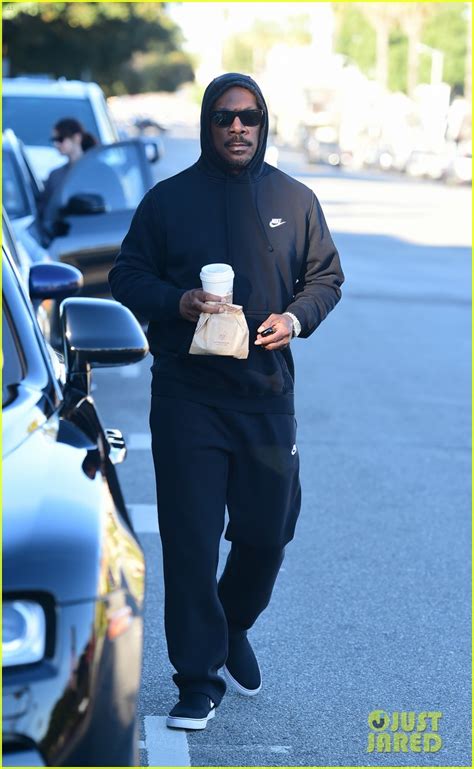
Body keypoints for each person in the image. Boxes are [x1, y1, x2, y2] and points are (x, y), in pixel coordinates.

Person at [109, 72, 344, 731]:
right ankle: (196, 679)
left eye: (249, 117)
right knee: (189, 541)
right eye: (224, 117)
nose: (237, 127)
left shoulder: (294, 199)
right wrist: (177, 301)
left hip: (266, 396)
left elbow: (326, 277)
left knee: (269, 531)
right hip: (187, 398)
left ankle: (231, 619)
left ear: (263, 124)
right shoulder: (168, 201)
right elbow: (128, 273)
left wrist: (295, 319)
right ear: (209, 125)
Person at [38, 117, 97, 224]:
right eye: (54, 140)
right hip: (64, 233)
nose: (56, 144)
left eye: (60, 139)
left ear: (77, 138)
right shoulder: (55, 175)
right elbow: (45, 210)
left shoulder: (99, 171)